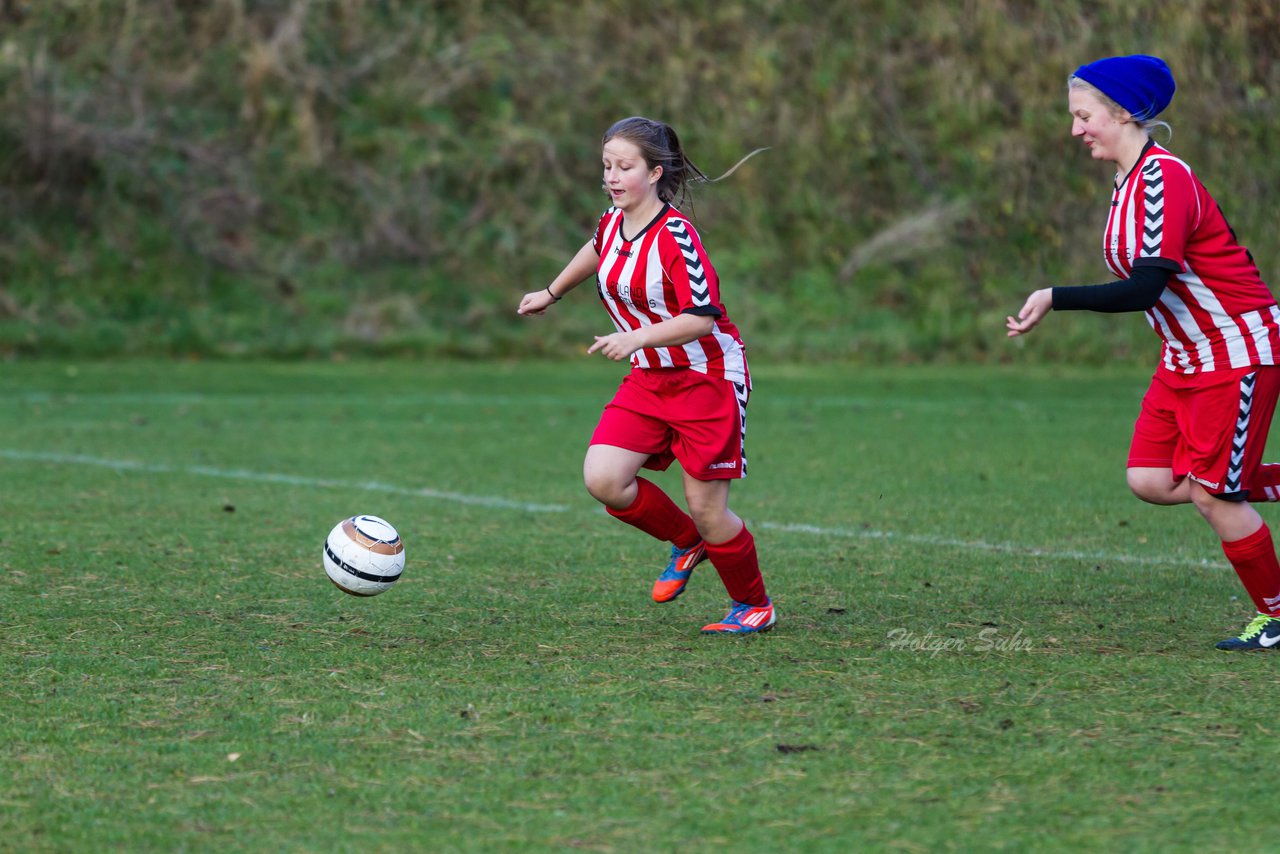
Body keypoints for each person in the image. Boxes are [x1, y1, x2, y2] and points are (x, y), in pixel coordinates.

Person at [1007, 55, 1280, 650]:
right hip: (1184, 358)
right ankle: (1233, 483)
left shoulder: (1165, 179)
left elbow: (1144, 288)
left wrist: (1054, 296)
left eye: (1084, 116)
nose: (1076, 129)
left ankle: (1276, 615)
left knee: (1213, 495)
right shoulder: (1125, 184)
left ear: (1124, 113)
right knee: (1150, 479)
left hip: (1234, 352)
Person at [517, 116, 774, 634]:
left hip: (707, 378)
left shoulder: (678, 238)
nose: (612, 177)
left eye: (625, 167)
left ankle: (754, 605)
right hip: (650, 379)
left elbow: (702, 316)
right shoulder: (613, 223)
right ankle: (686, 542)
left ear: (655, 173)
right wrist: (551, 291)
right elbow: (597, 250)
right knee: (605, 478)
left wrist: (635, 337)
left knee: (709, 510)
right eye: (607, 166)